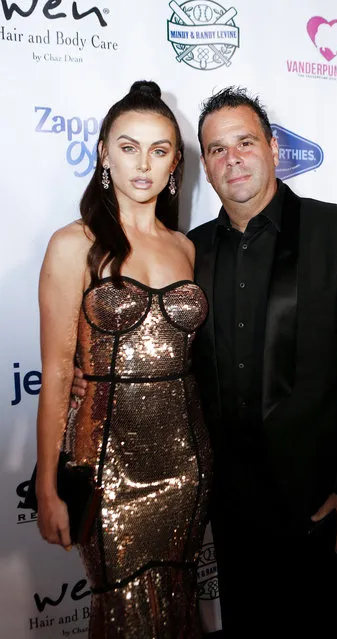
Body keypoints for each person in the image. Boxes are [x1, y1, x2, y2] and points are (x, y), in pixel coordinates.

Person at [72, 86, 337, 637]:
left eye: (245, 142)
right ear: (205, 163)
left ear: (273, 148)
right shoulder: (189, 250)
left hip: (318, 499)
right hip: (226, 500)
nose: (233, 159)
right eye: (217, 150)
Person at [35, 80, 212, 639]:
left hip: (188, 462)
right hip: (109, 468)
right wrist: (47, 483)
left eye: (159, 150)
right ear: (105, 154)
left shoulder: (185, 247)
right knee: (121, 615)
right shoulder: (75, 244)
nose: (143, 164)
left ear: (174, 164)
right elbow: (60, 372)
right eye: (128, 147)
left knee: (178, 605)